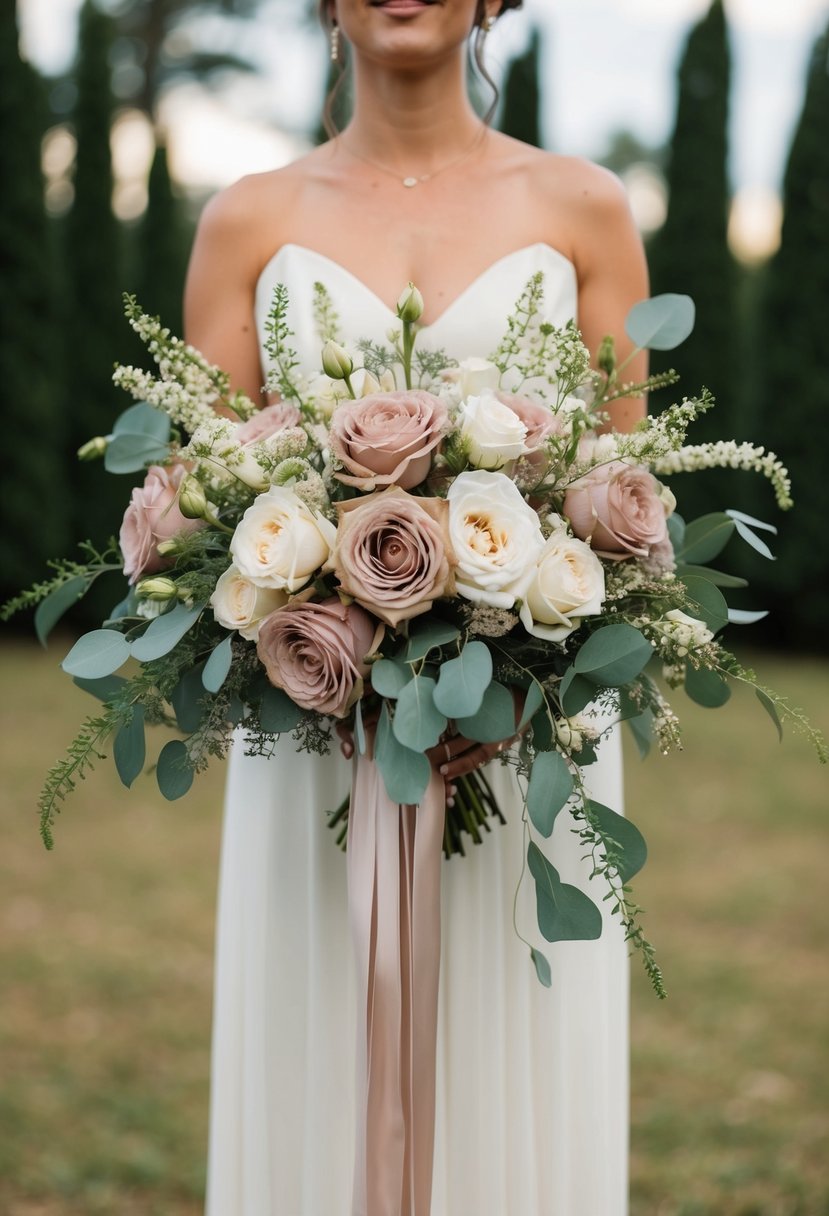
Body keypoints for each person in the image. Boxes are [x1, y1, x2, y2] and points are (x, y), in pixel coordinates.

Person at [184, 1, 649, 1212]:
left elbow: (619, 510)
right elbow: (203, 513)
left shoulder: (584, 210)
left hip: (519, 748)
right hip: (314, 736)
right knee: (316, 1035)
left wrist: (514, 653)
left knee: (515, 1037)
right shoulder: (248, 219)